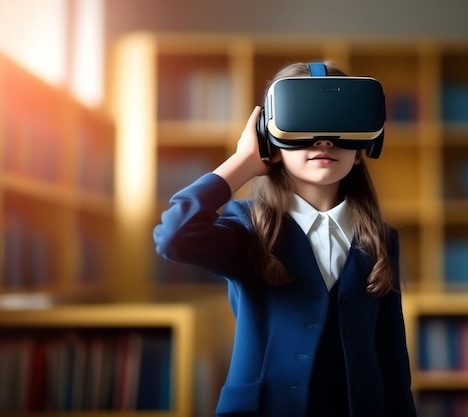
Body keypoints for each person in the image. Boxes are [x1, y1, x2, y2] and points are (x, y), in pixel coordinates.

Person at [153, 62, 417, 417]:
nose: (324, 140)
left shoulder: (382, 239)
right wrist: (243, 162)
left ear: (362, 148)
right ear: (270, 141)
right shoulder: (248, 227)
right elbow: (174, 235)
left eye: (339, 125)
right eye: (304, 124)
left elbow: (392, 357)